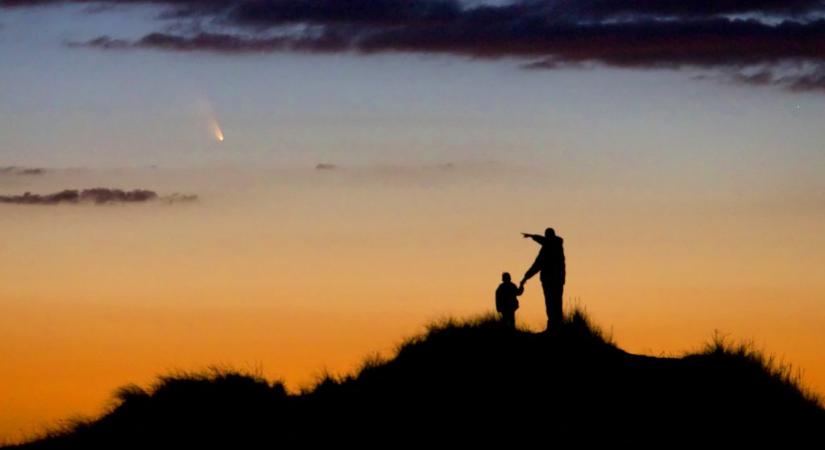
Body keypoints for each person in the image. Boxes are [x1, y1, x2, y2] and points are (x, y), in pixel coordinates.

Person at [520, 228, 566, 331]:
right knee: (554, 302)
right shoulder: (554, 245)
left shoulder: (553, 245)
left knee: (552, 302)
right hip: (555, 279)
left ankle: (555, 326)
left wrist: (532, 236)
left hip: (552, 279)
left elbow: (538, 264)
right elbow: (538, 264)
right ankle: (555, 325)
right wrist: (526, 276)